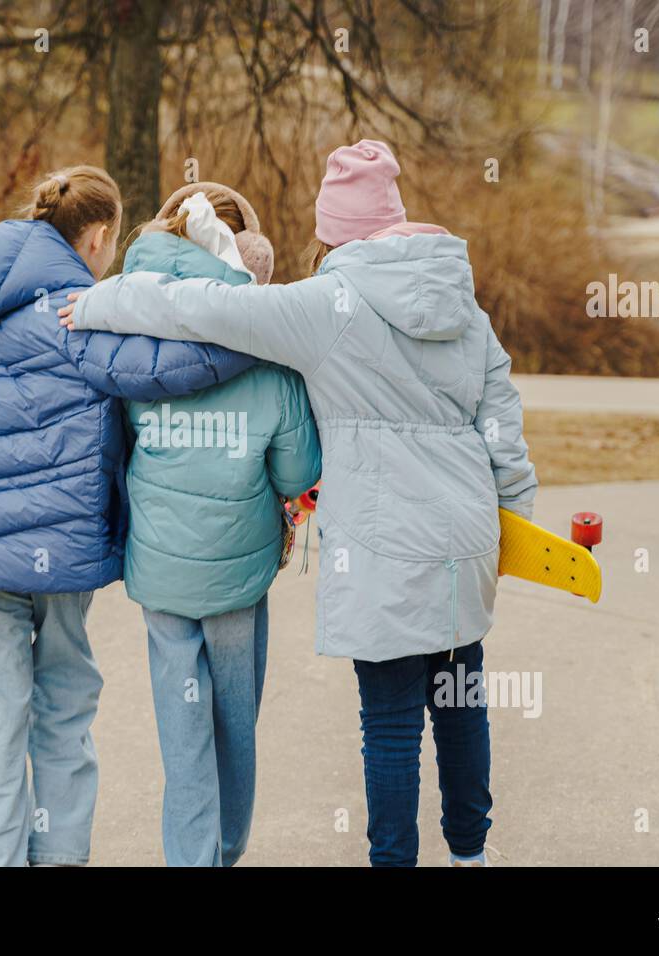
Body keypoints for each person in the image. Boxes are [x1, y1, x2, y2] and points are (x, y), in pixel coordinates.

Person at [60, 141, 538, 867]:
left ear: (332, 230)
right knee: (460, 695)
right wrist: (514, 519)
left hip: (384, 544)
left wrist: (103, 298)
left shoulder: (325, 305)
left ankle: (394, 860)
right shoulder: (462, 305)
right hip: (465, 534)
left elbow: (201, 308)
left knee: (389, 720)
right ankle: (471, 854)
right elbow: (501, 419)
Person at [0, 165, 253, 867]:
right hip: (58, 553)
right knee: (64, 710)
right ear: (99, 236)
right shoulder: (78, 308)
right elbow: (169, 367)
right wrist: (253, 327)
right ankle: (62, 856)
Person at [115, 182, 321, 866]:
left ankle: (190, 857)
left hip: (161, 570)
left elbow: (116, 442)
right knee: (235, 724)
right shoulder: (267, 352)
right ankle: (223, 851)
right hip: (238, 573)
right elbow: (296, 474)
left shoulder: (135, 338)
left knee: (181, 731)